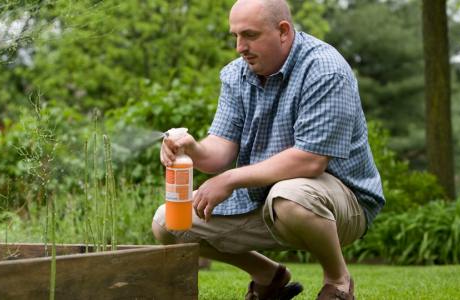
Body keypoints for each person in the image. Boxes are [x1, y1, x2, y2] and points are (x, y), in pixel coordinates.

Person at [153, 0, 384, 299]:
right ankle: (268, 276)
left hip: (341, 205)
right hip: (267, 199)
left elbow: (311, 160)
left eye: (249, 35)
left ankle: (338, 281)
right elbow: (220, 151)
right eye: (235, 36)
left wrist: (230, 179)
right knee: (168, 222)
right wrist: (192, 148)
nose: (239, 47)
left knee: (288, 197)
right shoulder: (236, 75)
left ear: (284, 32)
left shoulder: (325, 70)